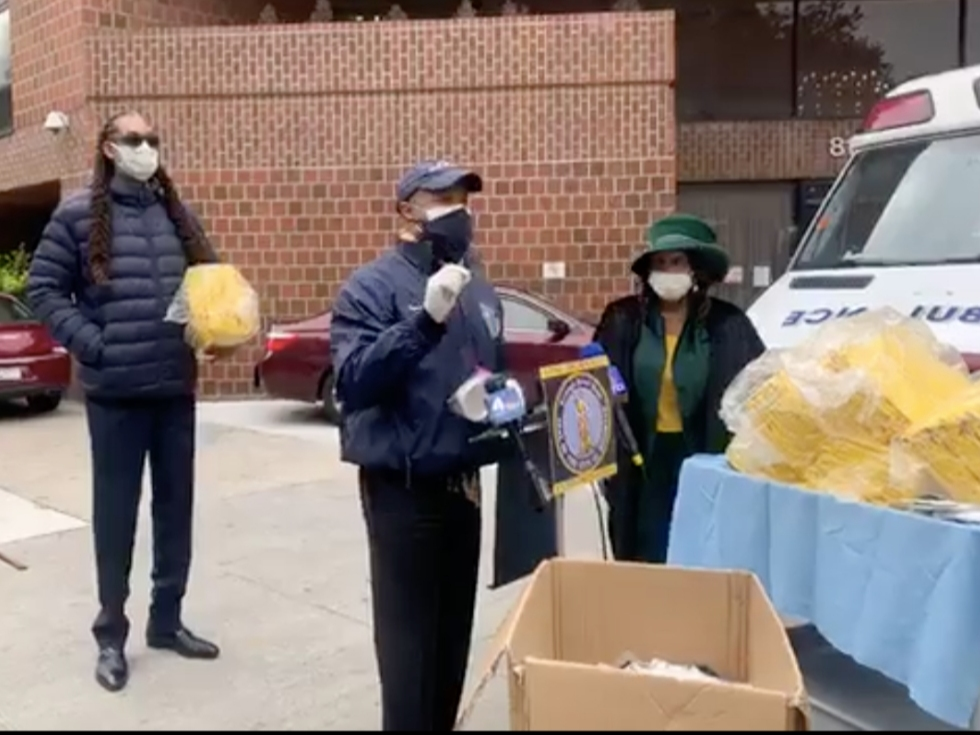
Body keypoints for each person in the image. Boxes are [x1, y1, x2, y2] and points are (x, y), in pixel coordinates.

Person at [27, 111, 224, 694]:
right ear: (110, 149)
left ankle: (167, 622)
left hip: (172, 390)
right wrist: (94, 344)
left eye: (153, 139)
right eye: (134, 140)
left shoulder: (175, 213)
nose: (146, 148)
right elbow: (43, 289)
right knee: (115, 520)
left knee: (175, 512)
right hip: (115, 396)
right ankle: (111, 634)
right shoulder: (77, 215)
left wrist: (216, 330)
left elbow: (210, 278)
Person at [330, 160, 506, 731]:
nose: (458, 209)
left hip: (464, 483)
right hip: (403, 490)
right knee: (409, 655)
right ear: (406, 209)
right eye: (443, 197)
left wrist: (501, 397)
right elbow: (354, 382)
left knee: (452, 642)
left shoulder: (477, 283)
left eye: (464, 197)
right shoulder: (371, 287)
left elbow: (485, 365)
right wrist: (424, 321)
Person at [594, 213, 765, 564]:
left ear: (696, 270)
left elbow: (757, 388)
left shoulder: (728, 324)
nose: (667, 271)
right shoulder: (624, 319)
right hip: (641, 456)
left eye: (676, 262)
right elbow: (595, 379)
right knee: (642, 542)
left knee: (697, 543)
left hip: (702, 454)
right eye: (659, 263)